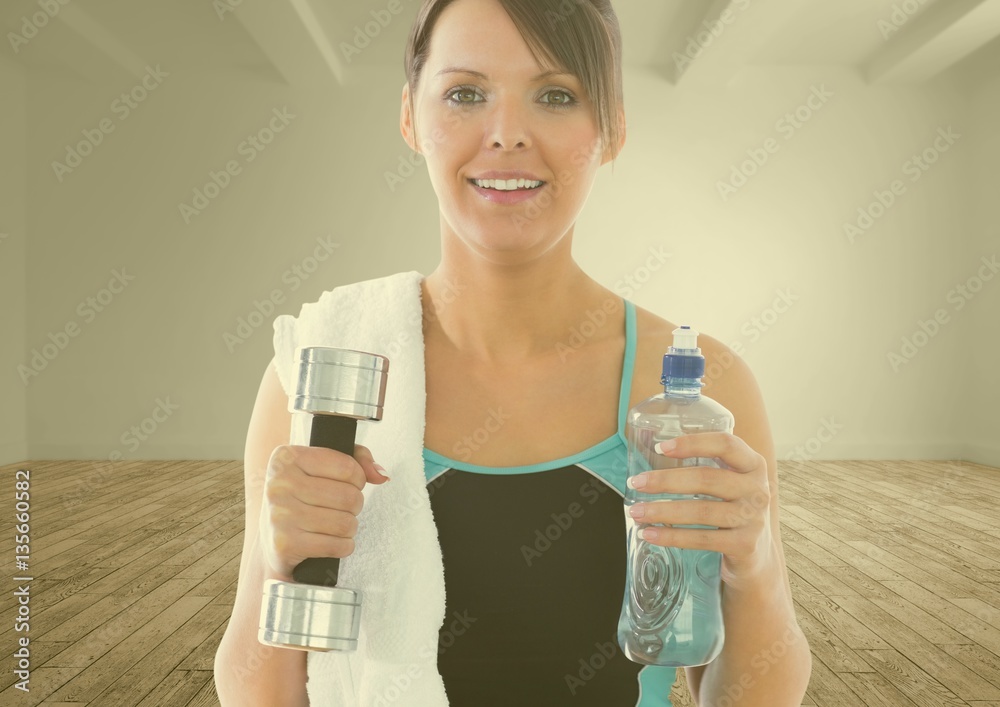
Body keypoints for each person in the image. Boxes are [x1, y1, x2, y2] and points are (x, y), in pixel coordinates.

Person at [214, 0, 812, 704]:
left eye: (556, 95)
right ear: (410, 115)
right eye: (465, 93)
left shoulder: (698, 390)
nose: (507, 135)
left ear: (613, 127)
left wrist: (758, 565)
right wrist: (279, 566)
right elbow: (259, 692)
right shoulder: (322, 377)